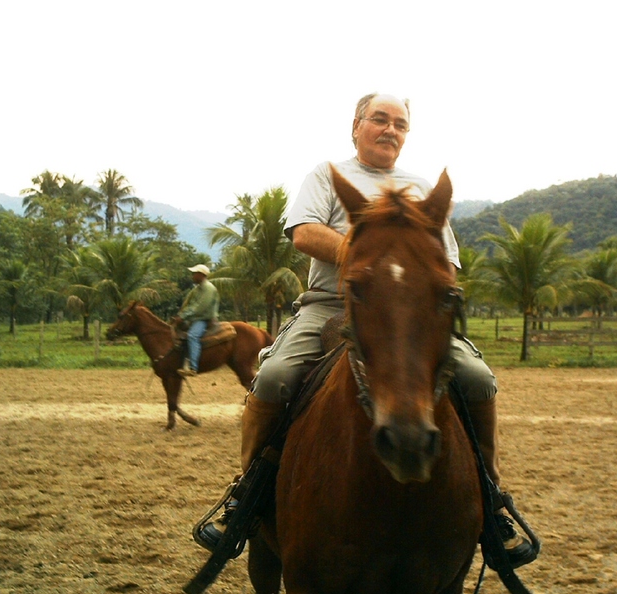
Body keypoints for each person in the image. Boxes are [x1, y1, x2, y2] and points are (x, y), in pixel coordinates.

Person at [193, 93, 535, 567]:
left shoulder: (421, 188)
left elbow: (449, 262)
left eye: (400, 123)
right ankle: (244, 498)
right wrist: (369, 258)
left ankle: (492, 498)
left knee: (478, 380)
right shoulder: (326, 175)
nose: (390, 129)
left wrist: (410, 280)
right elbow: (304, 233)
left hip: (409, 313)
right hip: (330, 302)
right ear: (356, 125)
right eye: (379, 119)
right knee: (272, 379)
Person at [176, 264, 219, 377]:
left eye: (195, 273)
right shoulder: (197, 289)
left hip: (204, 319)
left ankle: (193, 367)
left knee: (192, 336)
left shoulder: (208, 288)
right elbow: (189, 303)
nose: (193, 276)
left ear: (201, 275)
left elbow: (200, 307)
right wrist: (181, 315)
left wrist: (184, 316)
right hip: (194, 318)